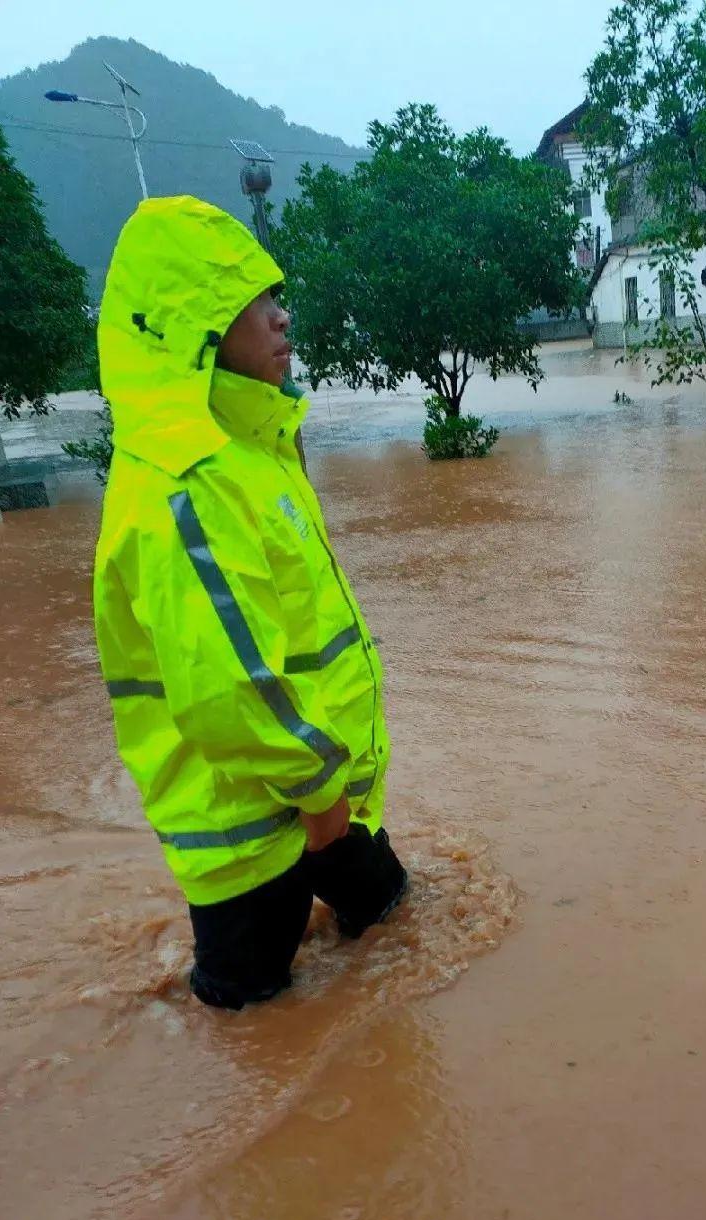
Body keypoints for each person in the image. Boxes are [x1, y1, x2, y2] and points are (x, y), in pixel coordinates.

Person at [93, 195, 407, 1010]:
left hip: (321, 794)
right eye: (256, 302)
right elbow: (226, 688)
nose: (282, 315)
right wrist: (320, 794)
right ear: (196, 330)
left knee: (395, 923)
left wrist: (330, 792)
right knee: (252, 1021)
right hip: (259, 830)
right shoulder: (184, 485)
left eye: (276, 295)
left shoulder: (251, 453)